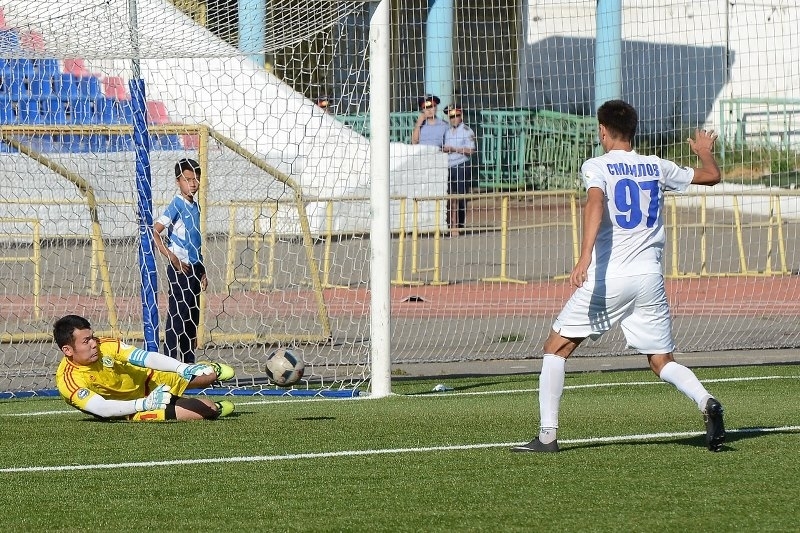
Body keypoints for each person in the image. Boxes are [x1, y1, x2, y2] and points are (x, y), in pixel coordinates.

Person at [511, 99, 726, 453]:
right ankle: (706, 401)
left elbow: (595, 202)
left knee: (556, 348)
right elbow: (712, 176)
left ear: (602, 131)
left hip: (610, 278)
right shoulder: (656, 165)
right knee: (661, 361)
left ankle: (547, 436)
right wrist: (704, 151)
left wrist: (583, 257)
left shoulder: (597, 165)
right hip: (650, 279)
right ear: (633, 130)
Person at [54, 314, 236, 422]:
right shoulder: (68, 381)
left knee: (208, 375)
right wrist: (145, 404)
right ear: (67, 350)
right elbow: (102, 408)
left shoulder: (105, 345)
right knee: (209, 409)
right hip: (132, 408)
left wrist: (181, 367)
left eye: (93, 337)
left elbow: (144, 357)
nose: (94, 343)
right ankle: (217, 408)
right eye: (86, 341)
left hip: (149, 379)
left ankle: (210, 369)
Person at [153, 158, 206, 363]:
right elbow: (155, 232)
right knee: (178, 316)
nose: (193, 183)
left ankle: (188, 364)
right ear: (178, 181)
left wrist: (202, 269)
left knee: (192, 319)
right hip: (180, 269)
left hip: (194, 268)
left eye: (196, 179)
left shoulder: (196, 206)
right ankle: (169, 361)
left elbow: (195, 240)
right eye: (187, 179)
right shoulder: (177, 204)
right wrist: (172, 257)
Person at [442, 105, 476, 237]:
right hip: (449, 166)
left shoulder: (467, 131)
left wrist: (454, 149)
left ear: (461, 116)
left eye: (456, 116)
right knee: (448, 196)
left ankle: (460, 225)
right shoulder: (447, 132)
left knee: (461, 196)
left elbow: (471, 150)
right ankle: (449, 225)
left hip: (461, 165)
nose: (454, 119)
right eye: (451, 116)